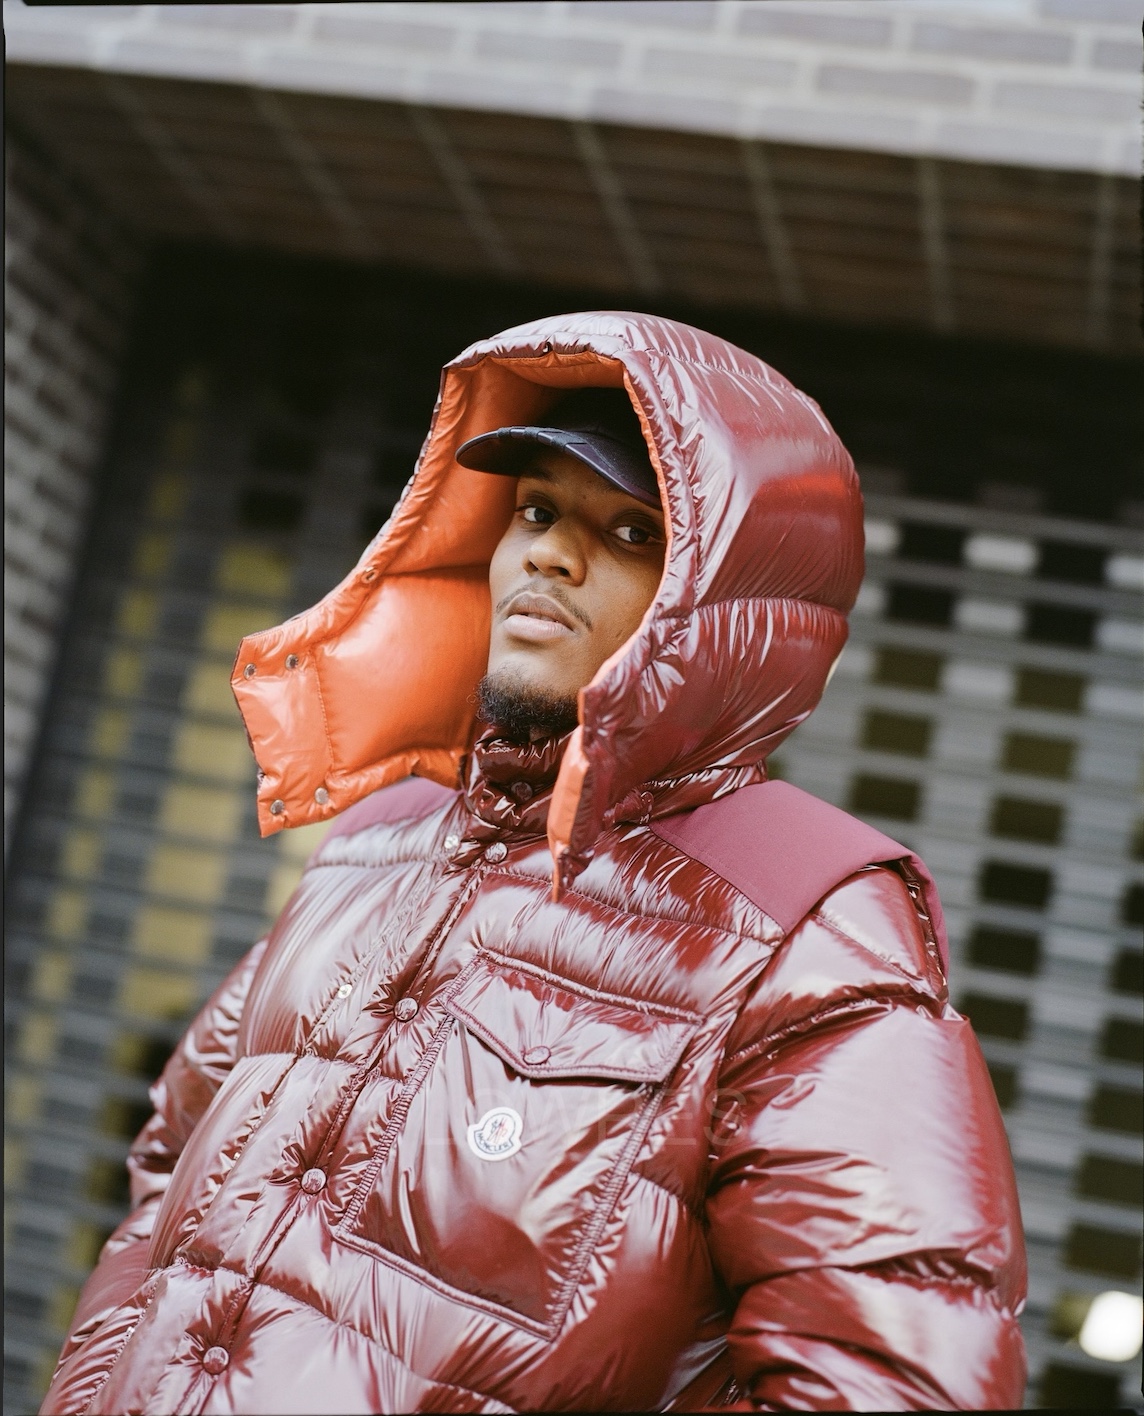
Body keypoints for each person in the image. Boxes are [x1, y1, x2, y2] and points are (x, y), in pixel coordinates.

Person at [42, 313, 1027, 1415]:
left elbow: (894, 1382)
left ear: (728, 613)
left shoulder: (802, 926)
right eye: (538, 510)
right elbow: (171, 1174)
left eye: (633, 531)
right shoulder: (375, 843)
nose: (549, 555)